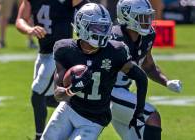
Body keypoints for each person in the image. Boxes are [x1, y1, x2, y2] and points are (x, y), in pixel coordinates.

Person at [41, 3, 148, 140]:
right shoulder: (65, 49)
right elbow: (58, 95)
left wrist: (138, 113)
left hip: (94, 119)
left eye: (104, 27)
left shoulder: (115, 51)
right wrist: (72, 89)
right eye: (97, 27)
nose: (102, 32)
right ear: (82, 25)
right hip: (69, 109)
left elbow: (141, 78)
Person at [15, 0, 88, 139]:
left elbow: (89, 9)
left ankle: (39, 136)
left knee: (37, 93)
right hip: (43, 53)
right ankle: (78, 115)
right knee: (50, 99)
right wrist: (30, 29)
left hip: (59, 54)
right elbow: (20, 20)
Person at [110, 0, 182, 139]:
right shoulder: (115, 39)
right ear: (127, 16)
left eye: (149, 17)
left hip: (122, 92)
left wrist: (166, 82)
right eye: (142, 17)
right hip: (107, 92)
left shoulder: (147, 36)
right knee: (152, 117)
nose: (147, 21)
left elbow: (148, 66)